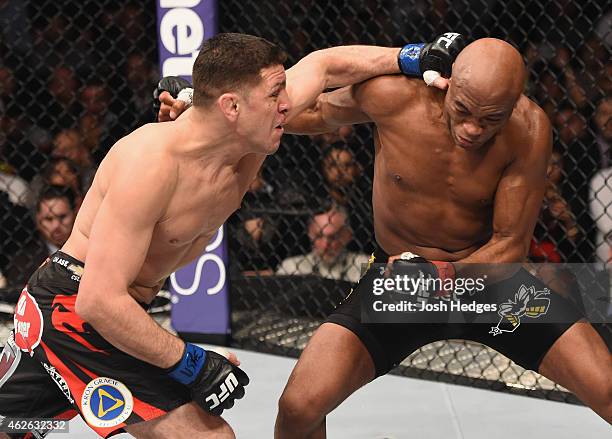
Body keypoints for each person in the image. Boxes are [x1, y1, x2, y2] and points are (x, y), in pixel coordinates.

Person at [0, 32, 455, 438]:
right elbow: (98, 301)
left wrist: (415, 56)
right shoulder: (149, 164)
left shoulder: (251, 126)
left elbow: (324, 65)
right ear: (231, 106)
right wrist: (191, 362)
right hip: (73, 311)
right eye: (276, 94)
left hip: (111, 312)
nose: (287, 105)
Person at [272, 38, 612, 436]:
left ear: (515, 103)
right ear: (447, 82)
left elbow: (509, 246)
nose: (472, 129)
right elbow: (305, 110)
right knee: (299, 407)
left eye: (490, 119)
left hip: (487, 281)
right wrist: (217, 115)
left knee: (607, 389)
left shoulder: (529, 128)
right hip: (398, 282)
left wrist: (441, 274)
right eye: (464, 110)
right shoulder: (393, 94)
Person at [277, 206, 369, 283]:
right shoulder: (291, 267)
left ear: (348, 235)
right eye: (319, 236)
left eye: (333, 237)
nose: (325, 245)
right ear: (310, 234)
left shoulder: (366, 266)